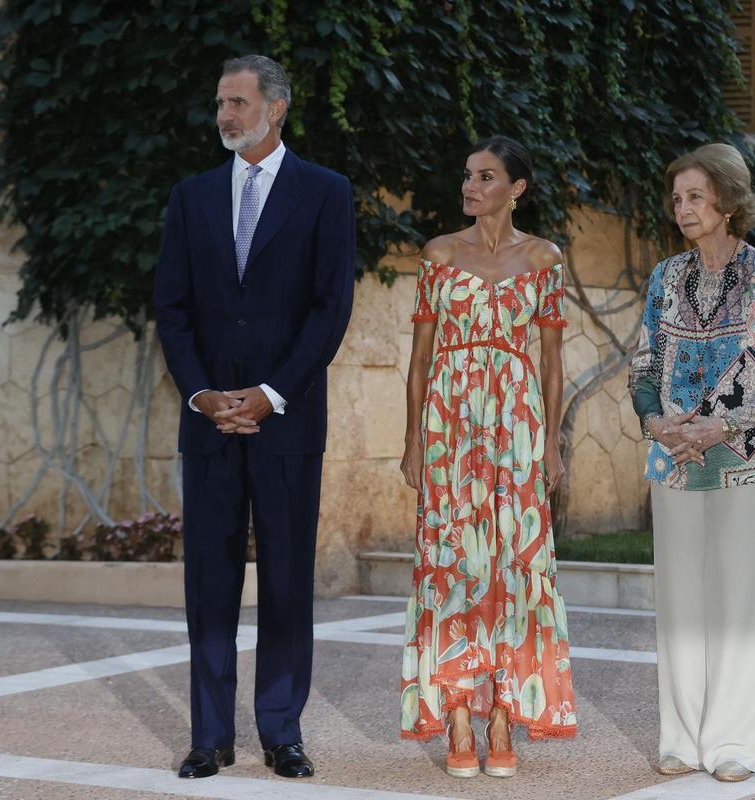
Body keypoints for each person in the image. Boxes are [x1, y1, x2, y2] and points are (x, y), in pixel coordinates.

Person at [153, 55, 355, 780]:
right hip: (208, 423)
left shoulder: (326, 194)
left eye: (237, 103)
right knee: (208, 582)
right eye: (219, 104)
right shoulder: (191, 197)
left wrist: (270, 395)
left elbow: (330, 308)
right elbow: (171, 310)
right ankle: (209, 736)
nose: (225, 116)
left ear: (276, 109)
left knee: (287, 581)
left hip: (286, 421)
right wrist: (203, 394)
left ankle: (281, 731)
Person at [398, 135, 578, 778]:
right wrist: (414, 440)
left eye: (485, 176)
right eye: (467, 175)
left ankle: (503, 713)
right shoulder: (439, 253)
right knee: (452, 563)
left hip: (516, 423)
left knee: (513, 566)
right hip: (450, 422)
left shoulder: (545, 258)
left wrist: (552, 440)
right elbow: (420, 361)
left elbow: (553, 364)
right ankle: (454, 718)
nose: (470, 186)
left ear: (516, 188)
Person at [628, 142, 755, 783]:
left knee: (740, 599)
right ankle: (679, 736)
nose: (682, 208)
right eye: (677, 199)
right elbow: (644, 364)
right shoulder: (665, 278)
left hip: (746, 455)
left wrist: (724, 425)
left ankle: (731, 742)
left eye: (695, 196)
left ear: (729, 202)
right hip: (673, 454)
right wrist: (654, 420)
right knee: (679, 599)